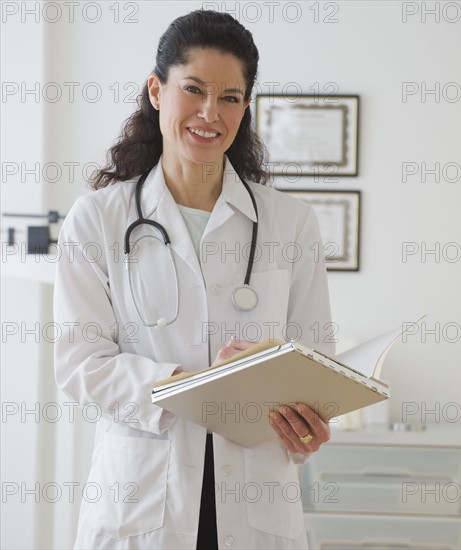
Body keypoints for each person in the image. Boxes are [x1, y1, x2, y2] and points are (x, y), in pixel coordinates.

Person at [54, 9, 335, 550]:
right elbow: (81, 365)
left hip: (257, 504)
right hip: (142, 500)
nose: (210, 112)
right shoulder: (97, 219)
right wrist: (197, 384)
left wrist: (310, 424)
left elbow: (313, 359)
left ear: (246, 107)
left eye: (230, 97)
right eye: (194, 89)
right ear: (157, 91)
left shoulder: (291, 222)